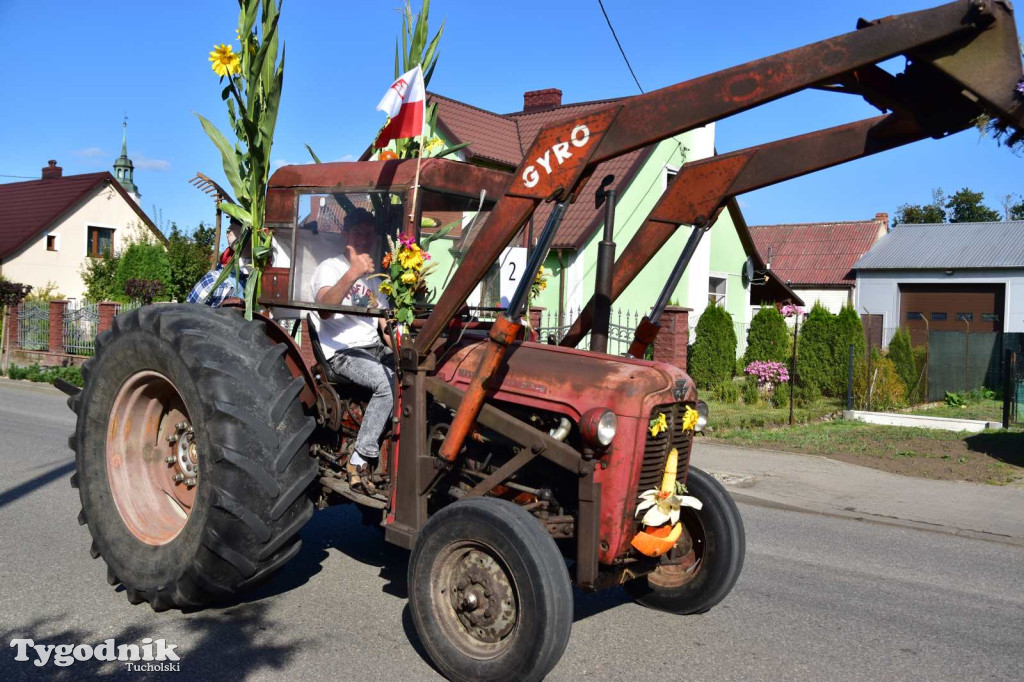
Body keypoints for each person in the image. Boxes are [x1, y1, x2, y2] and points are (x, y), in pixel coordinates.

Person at [311, 208, 393, 494]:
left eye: (368, 234)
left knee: (418, 376)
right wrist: (352, 274)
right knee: (387, 384)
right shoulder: (329, 268)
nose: (363, 238)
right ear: (346, 235)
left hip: (373, 347)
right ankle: (358, 460)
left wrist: (401, 346)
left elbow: (384, 324)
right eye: (358, 232)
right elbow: (324, 310)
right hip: (342, 352)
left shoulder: (375, 277)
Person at [187, 219, 250, 307]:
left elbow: (188, 314)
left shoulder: (212, 282)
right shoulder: (213, 282)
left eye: (231, 229)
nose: (228, 231)